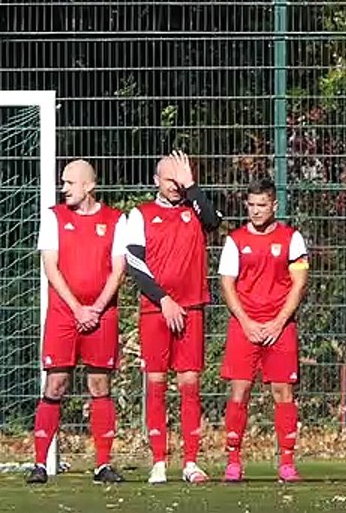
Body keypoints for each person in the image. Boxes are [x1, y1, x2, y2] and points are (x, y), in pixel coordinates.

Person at [122, 151, 222, 484]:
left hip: (191, 307)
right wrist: (163, 299)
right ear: (156, 181)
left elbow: (214, 222)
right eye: (170, 179)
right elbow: (134, 263)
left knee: (189, 384)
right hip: (156, 310)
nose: (176, 186)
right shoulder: (140, 215)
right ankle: (159, 462)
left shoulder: (196, 209)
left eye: (180, 180)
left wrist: (192, 185)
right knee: (156, 383)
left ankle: (191, 461)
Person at [28, 159, 128, 485]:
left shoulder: (116, 219)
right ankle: (39, 463)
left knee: (99, 385)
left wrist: (96, 309)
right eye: (63, 183)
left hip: (102, 314)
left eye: (70, 183)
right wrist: (78, 309)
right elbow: (51, 267)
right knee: (55, 383)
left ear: (89, 186)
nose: (64, 189)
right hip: (64, 314)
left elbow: (118, 270)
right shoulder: (53, 217)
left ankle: (102, 464)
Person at [218, 178, 310, 483]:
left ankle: (287, 462)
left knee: (283, 392)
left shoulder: (292, 238)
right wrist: (246, 322)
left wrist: (278, 322)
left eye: (262, 205)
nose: (256, 211)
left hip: (280, 327)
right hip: (244, 326)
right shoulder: (234, 240)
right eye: (251, 205)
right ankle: (233, 461)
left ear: (274, 205)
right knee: (240, 390)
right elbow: (227, 284)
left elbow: (299, 283)